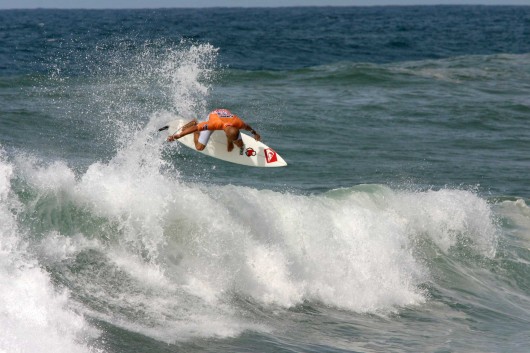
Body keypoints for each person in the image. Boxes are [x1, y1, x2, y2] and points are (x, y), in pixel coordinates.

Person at [167, 109, 261, 152]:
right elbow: (194, 128)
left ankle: (231, 141)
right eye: (232, 139)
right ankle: (194, 122)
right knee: (199, 148)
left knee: (240, 144)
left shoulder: (238, 123)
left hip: (225, 114)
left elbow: (247, 127)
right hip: (214, 116)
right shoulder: (213, 124)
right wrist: (177, 136)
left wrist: (254, 133)